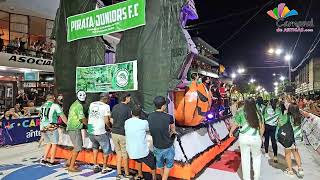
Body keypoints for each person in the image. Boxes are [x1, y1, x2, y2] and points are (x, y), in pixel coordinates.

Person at [229, 98, 264, 180]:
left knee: (245, 159)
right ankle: (256, 177)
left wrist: (231, 132)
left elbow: (236, 124)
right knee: (256, 158)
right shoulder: (258, 113)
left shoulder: (241, 112)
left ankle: (246, 178)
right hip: (255, 138)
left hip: (244, 138)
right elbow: (262, 127)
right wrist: (260, 136)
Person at [148, 96, 176, 180]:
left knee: (159, 165)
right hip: (167, 146)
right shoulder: (169, 117)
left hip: (156, 146)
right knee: (169, 165)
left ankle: (163, 177)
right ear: (163, 106)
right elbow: (173, 130)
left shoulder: (149, 116)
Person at [125, 105, 157, 180]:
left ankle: (140, 174)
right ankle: (154, 178)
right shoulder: (144, 122)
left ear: (131, 113)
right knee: (153, 162)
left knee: (139, 159)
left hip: (131, 152)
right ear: (140, 114)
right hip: (142, 152)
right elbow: (149, 129)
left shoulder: (127, 122)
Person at [87, 93, 113, 174]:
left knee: (95, 147)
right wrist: (110, 127)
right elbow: (106, 120)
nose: (109, 101)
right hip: (100, 131)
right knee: (106, 149)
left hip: (90, 129)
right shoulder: (106, 106)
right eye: (108, 99)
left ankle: (95, 165)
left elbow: (90, 116)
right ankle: (104, 168)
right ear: (106, 99)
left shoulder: (92, 104)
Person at [39, 94, 68, 166]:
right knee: (54, 144)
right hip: (51, 126)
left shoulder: (42, 106)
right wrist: (68, 124)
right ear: (54, 98)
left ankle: (44, 158)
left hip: (43, 126)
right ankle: (52, 160)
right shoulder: (55, 106)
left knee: (47, 143)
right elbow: (62, 116)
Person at [278, 104, 304, 178]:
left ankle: (290, 171)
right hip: (297, 138)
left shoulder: (287, 116)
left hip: (288, 138)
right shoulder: (300, 116)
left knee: (288, 154)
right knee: (296, 152)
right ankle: (300, 169)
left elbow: (280, 124)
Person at [111, 92, 132, 179]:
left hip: (114, 133)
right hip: (123, 134)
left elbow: (111, 119)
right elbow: (130, 122)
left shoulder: (115, 107)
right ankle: (127, 174)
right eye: (129, 97)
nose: (130, 99)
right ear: (126, 98)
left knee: (118, 153)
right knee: (124, 154)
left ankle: (119, 173)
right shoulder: (128, 109)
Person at [66, 91, 88, 172]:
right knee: (78, 148)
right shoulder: (79, 106)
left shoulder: (75, 104)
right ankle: (71, 167)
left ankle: (69, 162)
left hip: (72, 128)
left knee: (76, 147)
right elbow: (82, 119)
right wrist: (88, 125)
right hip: (74, 128)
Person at [263, 99, 279, 163]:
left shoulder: (265, 109)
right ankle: (275, 156)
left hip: (266, 126)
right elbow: (279, 118)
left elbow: (263, 117)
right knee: (274, 141)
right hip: (274, 127)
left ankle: (266, 153)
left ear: (269, 102)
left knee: (266, 139)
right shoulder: (278, 110)